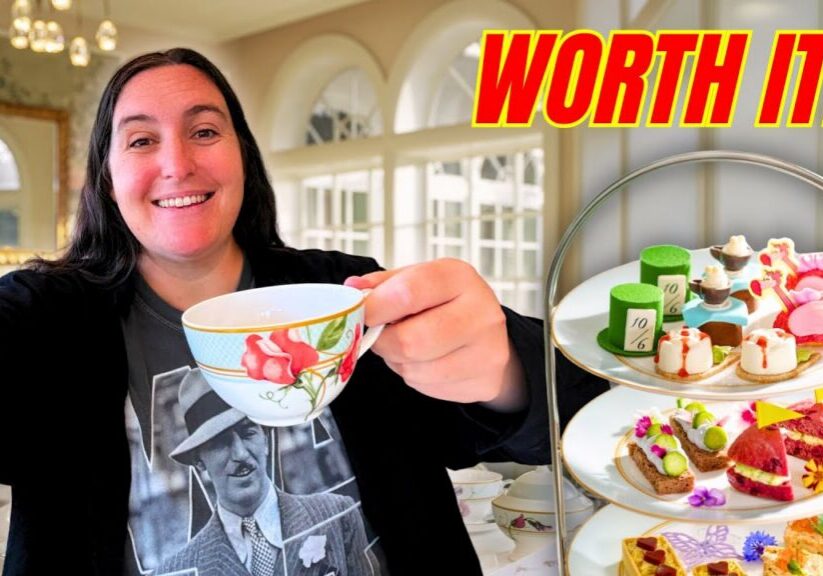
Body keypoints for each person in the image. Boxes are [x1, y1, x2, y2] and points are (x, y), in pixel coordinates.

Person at [0, 48, 609, 575]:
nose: (176, 163)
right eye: (140, 140)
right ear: (107, 179)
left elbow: (578, 413)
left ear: (242, 155)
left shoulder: (338, 292)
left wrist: (506, 370)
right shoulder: (41, 321)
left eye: (205, 131)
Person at [156, 369, 378, 576]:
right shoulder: (180, 569)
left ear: (265, 438)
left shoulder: (337, 517)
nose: (241, 454)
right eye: (221, 442)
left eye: (248, 433)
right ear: (199, 461)